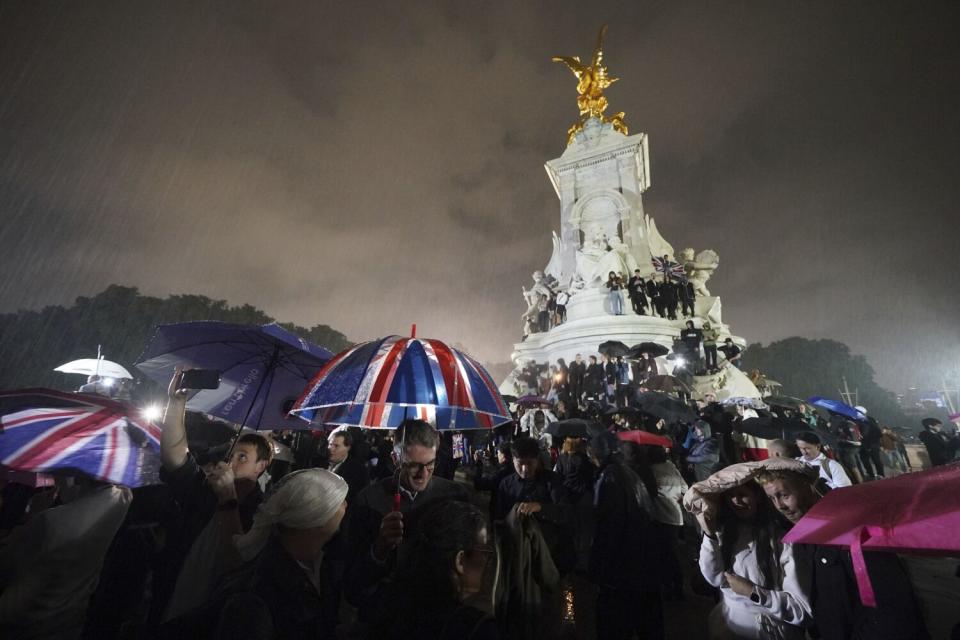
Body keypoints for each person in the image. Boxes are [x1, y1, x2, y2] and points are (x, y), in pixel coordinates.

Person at [151, 369, 273, 626]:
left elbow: (239, 563)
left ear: (261, 467)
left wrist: (228, 497)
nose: (232, 460)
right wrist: (176, 403)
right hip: (171, 601)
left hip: (211, 616)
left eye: (243, 457)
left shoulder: (261, 512)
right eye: (232, 453)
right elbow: (175, 458)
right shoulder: (206, 490)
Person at [757, 467, 929, 640]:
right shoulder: (800, 537)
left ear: (807, 487)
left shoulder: (853, 529)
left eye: (784, 495)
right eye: (772, 498)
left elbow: (893, 608)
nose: (780, 506)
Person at [345, 420, 470, 622]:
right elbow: (352, 582)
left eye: (430, 464)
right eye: (413, 466)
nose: (423, 474)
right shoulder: (368, 500)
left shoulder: (454, 496)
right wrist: (380, 549)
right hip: (384, 618)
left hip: (437, 617)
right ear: (395, 459)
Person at [214, 469, 349, 640]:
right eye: (339, 501)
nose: (345, 505)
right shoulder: (255, 600)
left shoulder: (323, 563)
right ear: (314, 518)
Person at [0, 478, 132, 639]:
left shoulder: (50, 522)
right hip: (72, 623)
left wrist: (31, 519)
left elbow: (11, 608)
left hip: (30, 629)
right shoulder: (122, 499)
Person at [695, 479, 811, 640]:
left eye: (742, 494)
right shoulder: (726, 534)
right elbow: (714, 579)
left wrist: (752, 592)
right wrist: (709, 534)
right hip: (730, 629)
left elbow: (801, 611)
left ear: (757, 496)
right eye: (730, 496)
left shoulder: (783, 541)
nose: (736, 501)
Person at [371, 500, 498, 640]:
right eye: (485, 550)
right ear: (460, 560)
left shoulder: (391, 602)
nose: (488, 560)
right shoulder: (477, 629)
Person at [587, 431, 665, 640]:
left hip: (622, 570)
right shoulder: (628, 472)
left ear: (594, 453)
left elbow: (608, 526)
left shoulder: (609, 478)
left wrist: (598, 567)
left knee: (616, 626)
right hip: (643, 565)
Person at [496, 437, 573, 573]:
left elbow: (566, 513)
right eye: (520, 463)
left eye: (530, 463)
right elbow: (497, 518)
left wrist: (540, 507)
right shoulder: (506, 485)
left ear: (537, 460)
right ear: (513, 460)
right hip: (517, 556)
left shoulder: (552, 481)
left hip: (548, 556)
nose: (525, 469)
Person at [646, 444, 689, 600]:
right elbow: (685, 489)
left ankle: (671, 586)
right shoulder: (671, 468)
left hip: (660, 516)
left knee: (665, 554)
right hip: (675, 516)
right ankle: (677, 585)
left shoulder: (651, 471)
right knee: (672, 553)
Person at [326, 428, 370, 505]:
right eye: (330, 444)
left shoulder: (358, 471)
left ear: (348, 448)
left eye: (336, 446)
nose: (331, 449)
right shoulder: (318, 463)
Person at [474, 442, 515, 523]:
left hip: (499, 512)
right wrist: (491, 457)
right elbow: (501, 466)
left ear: (503, 456)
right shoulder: (514, 468)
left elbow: (479, 485)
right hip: (511, 510)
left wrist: (478, 465)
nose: (497, 455)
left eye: (498, 453)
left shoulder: (502, 474)